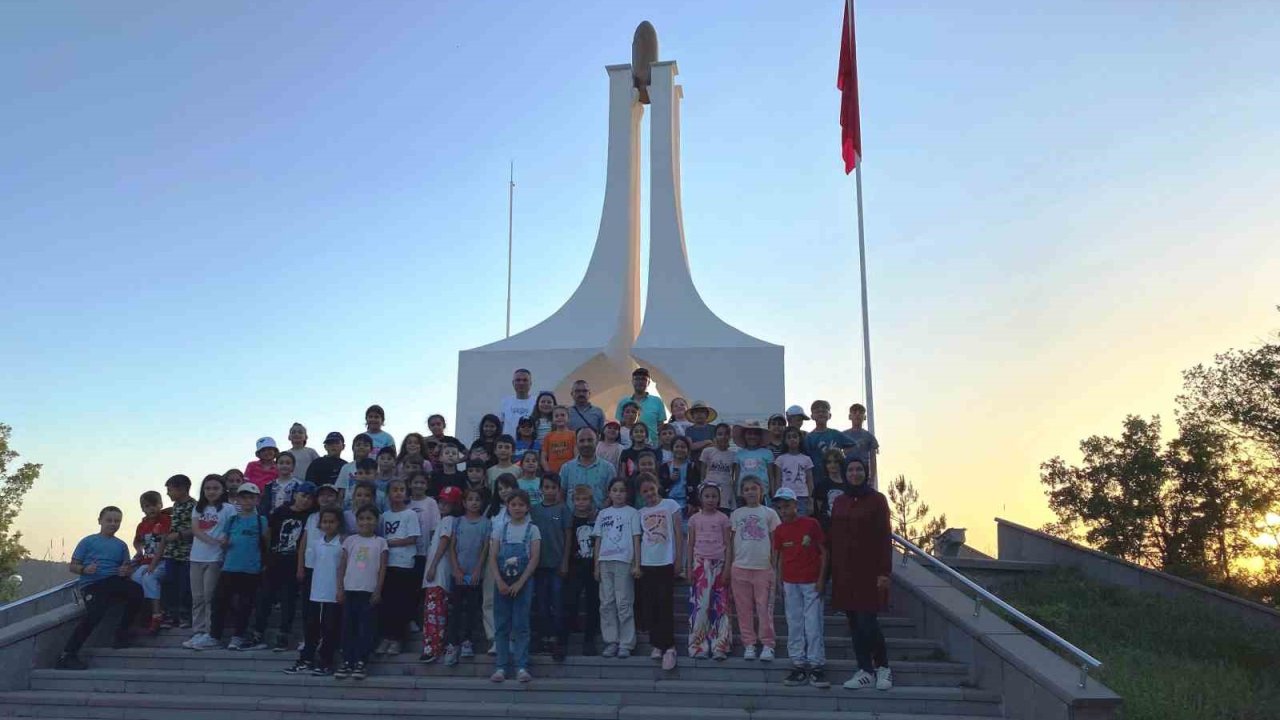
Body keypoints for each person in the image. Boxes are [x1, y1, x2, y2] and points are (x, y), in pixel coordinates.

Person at [830, 458, 893, 692]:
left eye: (859, 469)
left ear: (865, 473)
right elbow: (834, 537)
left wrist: (884, 571)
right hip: (845, 572)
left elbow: (884, 537)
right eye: (850, 469)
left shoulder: (877, 500)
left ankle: (883, 667)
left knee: (868, 622)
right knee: (854, 623)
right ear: (845, 474)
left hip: (870, 572)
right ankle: (864, 670)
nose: (854, 473)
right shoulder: (839, 501)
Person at [55, 506, 143, 670]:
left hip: (114, 581)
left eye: (117, 521)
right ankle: (68, 654)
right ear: (100, 521)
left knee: (137, 591)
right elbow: (73, 566)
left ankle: (122, 634)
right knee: (95, 614)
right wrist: (84, 569)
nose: (113, 524)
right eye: (109, 520)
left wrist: (125, 571)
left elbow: (126, 567)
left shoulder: (121, 545)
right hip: (93, 584)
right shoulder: (88, 541)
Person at [772, 487, 829, 688]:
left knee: (813, 623)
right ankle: (798, 663)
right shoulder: (779, 530)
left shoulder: (811, 524)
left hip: (811, 582)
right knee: (794, 623)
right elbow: (779, 557)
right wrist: (779, 581)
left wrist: (822, 579)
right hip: (790, 583)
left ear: (796, 505)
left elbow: (823, 552)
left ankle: (816, 665)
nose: (784, 510)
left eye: (787, 506)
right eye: (780, 507)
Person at [250, 481, 314, 650]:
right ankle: (257, 633)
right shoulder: (281, 511)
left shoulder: (311, 516)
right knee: (264, 598)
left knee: (288, 601)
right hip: (274, 561)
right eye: (303, 495)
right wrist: (267, 555)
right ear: (295, 495)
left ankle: (283, 635)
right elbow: (268, 533)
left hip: (294, 564)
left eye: (309, 497)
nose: (306, 500)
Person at [488, 489, 542, 683]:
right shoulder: (500, 529)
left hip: (524, 583)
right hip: (502, 582)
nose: (517, 508)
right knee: (501, 625)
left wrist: (521, 582)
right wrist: (499, 581)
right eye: (513, 504)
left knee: (521, 625)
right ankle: (501, 667)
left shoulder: (532, 529)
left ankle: (521, 666)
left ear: (527, 507)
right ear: (507, 507)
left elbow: (534, 558)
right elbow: (492, 557)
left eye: (521, 504)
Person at [286, 507, 344, 676]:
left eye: (331, 522)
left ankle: (326, 661)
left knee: (330, 628)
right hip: (316, 592)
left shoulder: (342, 543)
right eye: (325, 522)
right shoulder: (317, 543)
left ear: (338, 523)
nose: (328, 525)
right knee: (311, 627)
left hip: (333, 593)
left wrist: (341, 590)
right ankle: (306, 659)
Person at [728, 476, 781, 661]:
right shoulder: (736, 514)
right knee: (743, 609)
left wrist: (774, 566)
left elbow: (776, 542)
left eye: (754, 488)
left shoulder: (770, 514)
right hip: (740, 567)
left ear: (762, 491)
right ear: (742, 493)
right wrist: (729, 566)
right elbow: (731, 543)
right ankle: (749, 643)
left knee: (764, 608)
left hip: (763, 568)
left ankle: (767, 644)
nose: (751, 492)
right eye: (747, 489)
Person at [211, 484, 269, 651]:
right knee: (219, 602)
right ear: (238, 499)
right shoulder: (232, 520)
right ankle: (214, 636)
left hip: (251, 569)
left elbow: (266, 543)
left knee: (245, 604)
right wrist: (224, 543)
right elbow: (224, 540)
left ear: (257, 500)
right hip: (229, 567)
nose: (247, 501)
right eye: (244, 497)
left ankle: (238, 636)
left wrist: (263, 564)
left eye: (251, 497)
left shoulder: (261, 520)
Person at [636, 473, 683, 671]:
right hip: (648, 562)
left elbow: (679, 534)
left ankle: (670, 646)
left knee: (665, 604)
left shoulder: (670, 505)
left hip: (666, 562)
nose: (649, 493)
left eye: (651, 488)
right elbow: (639, 540)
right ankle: (656, 643)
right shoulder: (640, 512)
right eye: (644, 491)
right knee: (651, 605)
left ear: (658, 486)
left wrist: (679, 559)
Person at [336, 504, 387, 680]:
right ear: (357, 521)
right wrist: (340, 589)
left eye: (370, 518)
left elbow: (382, 569)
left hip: (368, 591)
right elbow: (342, 566)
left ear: (376, 521)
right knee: (348, 627)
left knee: (366, 628)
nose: (366, 522)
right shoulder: (350, 541)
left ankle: (361, 661)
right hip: (350, 589)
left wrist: (377, 590)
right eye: (362, 518)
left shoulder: (380, 542)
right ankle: (347, 661)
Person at [593, 477, 641, 659]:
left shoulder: (632, 513)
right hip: (605, 560)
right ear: (609, 493)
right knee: (606, 602)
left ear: (627, 493)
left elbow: (636, 538)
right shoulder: (603, 513)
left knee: (624, 602)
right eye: (615, 490)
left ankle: (626, 642)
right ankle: (611, 640)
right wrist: (596, 565)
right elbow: (598, 539)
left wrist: (637, 563)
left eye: (622, 490)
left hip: (624, 561)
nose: (618, 493)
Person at [187, 474, 235, 650]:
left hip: (215, 558)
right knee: (197, 597)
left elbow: (231, 529)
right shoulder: (198, 508)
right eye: (208, 488)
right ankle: (198, 631)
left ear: (222, 490)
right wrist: (211, 541)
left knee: (209, 596)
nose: (211, 492)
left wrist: (222, 542)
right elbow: (195, 529)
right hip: (196, 557)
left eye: (215, 488)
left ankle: (210, 632)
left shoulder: (229, 509)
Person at [445, 487, 491, 666]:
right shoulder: (457, 522)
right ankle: (452, 644)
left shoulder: (486, 523)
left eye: (477, 499)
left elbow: (485, 548)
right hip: (457, 573)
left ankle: (467, 641)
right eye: (470, 499)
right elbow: (451, 547)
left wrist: (478, 570)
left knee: (472, 609)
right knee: (455, 609)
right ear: (463, 503)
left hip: (474, 574)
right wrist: (456, 568)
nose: (474, 502)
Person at [687, 484, 732, 660]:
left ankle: (720, 645)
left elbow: (728, 545)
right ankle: (698, 645)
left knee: (720, 605)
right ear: (701, 498)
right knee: (701, 605)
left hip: (719, 563)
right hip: (700, 564)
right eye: (707, 496)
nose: (711, 499)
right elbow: (690, 545)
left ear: (719, 499)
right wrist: (688, 568)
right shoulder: (694, 519)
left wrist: (727, 567)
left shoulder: (723, 519)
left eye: (714, 496)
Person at [377, 477, 421, 656]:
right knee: (387, 604)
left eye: (401, 489)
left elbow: (412, 538)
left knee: (400, 604)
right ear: (388, 494)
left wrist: (389, 543)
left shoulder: (410, 514)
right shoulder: (384, 516)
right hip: (386, 565)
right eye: (394, 490)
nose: (398, 493)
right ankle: (386, 637)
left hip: (404, 564)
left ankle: (397, 640)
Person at [530, 475, 572, 660]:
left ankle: (558, 640)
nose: (549, 490)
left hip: (556, 564)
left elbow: (568, 536)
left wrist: (564, 561)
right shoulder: (534, 510)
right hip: (539, 565)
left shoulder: (563, 509)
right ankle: (543, 637)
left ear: (558, 489)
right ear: (540, 489)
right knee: (541, 604)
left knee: (558, 603)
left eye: (553, 487)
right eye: (546, 487)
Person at [420, 485, 459, 664]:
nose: (443, 505)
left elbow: (444, 542)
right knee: (432, 611)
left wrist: (433, 566)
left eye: (448, 503)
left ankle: (433, 648)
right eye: (441, 501)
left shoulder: (449, 520)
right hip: (435, 575)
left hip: (439, 575)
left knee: (434, 613)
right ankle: (432, 646)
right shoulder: (441, 520)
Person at [563, 484, 600, 656]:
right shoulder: (570, 519)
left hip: (593, 566)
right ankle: (567, 634)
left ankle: (589, 639)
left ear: (591, 501)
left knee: (593, 603)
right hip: (575, 565)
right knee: (570, 600)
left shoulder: (597, 518)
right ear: (573, 501)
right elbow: (568, 542)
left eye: (585, 499)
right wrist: (564, 562)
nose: (581, 502)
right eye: (578, 499)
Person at [132, 490, 170, 634]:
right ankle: (148, 610)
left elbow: (163, 542)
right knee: (135, 578)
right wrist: (138, 550)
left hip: (163, 560)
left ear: (160, 505)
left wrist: (154, 564)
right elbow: (137, 541)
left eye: (155, 505)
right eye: (147, 506)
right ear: (142, 508)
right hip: (146, 560)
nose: (151, 509)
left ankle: (157, 614)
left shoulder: (165, 520)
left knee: (149, 577)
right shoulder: (142, 525)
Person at [161, 474, 195, 629]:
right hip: (171, 553)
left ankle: (185, 616)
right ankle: (170, 615)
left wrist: (179, 535)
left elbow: (197, 528)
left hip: (186, 553)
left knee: (185, 585)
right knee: (170, 584)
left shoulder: (194, 506)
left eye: (170, 490)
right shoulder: (175, 506)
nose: (168, 493)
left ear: (182, 489)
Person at [559, 427, 618, 510]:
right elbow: (561, 495)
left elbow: (612, 496)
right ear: (576, 443)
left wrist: (599, 514)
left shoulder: (608, 468)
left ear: (597, 440)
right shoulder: (566, 468)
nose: (586, 444)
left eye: (590, 440)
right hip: (571, 520)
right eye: (582, 441)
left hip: (599, 520)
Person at [803, 400, 856, 486]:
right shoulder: (809, 438)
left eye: (824, 411)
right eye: (817, 412)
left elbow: (852, 445)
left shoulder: (836, 434)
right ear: (812, 416)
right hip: (817, 479)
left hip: (837, 479)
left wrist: (841, 455)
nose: (821, 414)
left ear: (829, 415)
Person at [615, 368, 667, 439]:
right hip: (628, 445)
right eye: (637, 379)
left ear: (648, 382)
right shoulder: (623, 402)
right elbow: (622, 425)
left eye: (643, 379)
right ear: (632, 382)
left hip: (652, 446)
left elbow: (661, 426)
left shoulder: (657, 401)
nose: (640, 382)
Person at [733, 421, 775, 508]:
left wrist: (773, 494)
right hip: (743, 494)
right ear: (744, 436)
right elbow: (736, 477)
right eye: (749, 433)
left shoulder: (767, 453)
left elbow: (771, 476)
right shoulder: (739, 454)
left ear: (760, 437)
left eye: (755, 434)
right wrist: (735, 494)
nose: (752, 436)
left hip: (763, 493)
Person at [774, 427, 815, 516]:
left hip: (802, 496)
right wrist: (776, 498)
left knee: (801, 521)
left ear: (799, 439)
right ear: (785, 441)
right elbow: (778, 480)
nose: (792, 439)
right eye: (789, 437)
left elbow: (810, 481)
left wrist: (811, 499)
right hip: (785, 496)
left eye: (795, 437)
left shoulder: (806, 459)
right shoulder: (780, 459)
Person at [699, 424, 736, 512]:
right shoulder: (707, 451)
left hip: (726, 492)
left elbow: (734, 476)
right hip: (709, 493)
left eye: (726, 434)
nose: (723, 437)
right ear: (715, 436)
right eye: (720, 434)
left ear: (730, 436)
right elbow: (702, 475)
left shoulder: (733, 454)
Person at [660, 436, 700, 512]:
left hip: (685, 503)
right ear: (672, 449)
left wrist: (692, 503)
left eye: (683, 447)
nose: (680, 449)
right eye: (677, 446)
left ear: (688, 450)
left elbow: (695, 485)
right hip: (669, 501)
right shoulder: (665, 466)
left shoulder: (691, 467)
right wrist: (670, 479)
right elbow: (661, 485)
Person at [843, 403, 880, 483]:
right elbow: (838, 454)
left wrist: (872, 477)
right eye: (854, 412)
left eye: (861, 412)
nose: (857, 414)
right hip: (847, 470)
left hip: (863, 470)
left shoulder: (869, 436)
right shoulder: (843, 435)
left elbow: (873, 458)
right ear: (850, 416)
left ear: (864, 417)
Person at [813, 449, 850, 527]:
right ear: (825, 465)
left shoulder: (849, 484)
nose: (833, 465)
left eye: (836, 462)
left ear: (841, 463)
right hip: (827, 526)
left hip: (846, 525)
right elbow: (818, 509)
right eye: (829, 462)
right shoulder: (821, 485)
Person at [335, 434, 374, 507]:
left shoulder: (375, 466)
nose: (361, 447)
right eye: (358, 445)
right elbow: (341, 491)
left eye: (365, 445)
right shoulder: (346, 467)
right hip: (349, 507)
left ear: (371, 449)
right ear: (353, 448)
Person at [499, 368, 537, 436]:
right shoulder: (505, 402)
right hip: (508, 445)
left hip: (530, 445)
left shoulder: (537, 402)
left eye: (525, 380)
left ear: (530, 383)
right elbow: (500, 425)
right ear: (513, 383)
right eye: (518, 380)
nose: (521, 383)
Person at [540, 406, 576, 474]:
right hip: (553, 473)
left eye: (562, 415)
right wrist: (548, 471)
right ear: (553, 420)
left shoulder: (574, 435)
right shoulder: (548, 436)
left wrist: (573, 470)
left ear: (568, 418)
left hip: (570, 472)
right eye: (556, 416)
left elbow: (576, 456)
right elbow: (543, 458)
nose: (559, 417)